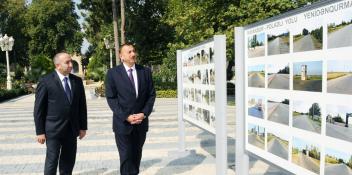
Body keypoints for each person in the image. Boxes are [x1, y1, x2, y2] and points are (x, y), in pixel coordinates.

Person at [105, 43, 156, 175]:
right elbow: (111, 99)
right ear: (121, 56)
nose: (133, 54)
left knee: (136, 156)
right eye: (129, 52)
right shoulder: (112, 73)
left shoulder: (145, 71)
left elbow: (151, 95)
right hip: (122, 124)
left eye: (134, 51)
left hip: (141, 123)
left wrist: (144, 114)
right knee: (126, 156)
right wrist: (126, 116)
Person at [33, 52, 87, 175]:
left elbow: (82, 106)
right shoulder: (46, 81)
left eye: (71, 62)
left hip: (72, 129)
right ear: (57, 65)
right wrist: (40, 131)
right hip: (53, 130)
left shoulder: (77, 81)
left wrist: (83, 127)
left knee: (68, 161)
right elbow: (39, 109)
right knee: (52, 161)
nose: (70, 65)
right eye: (67, 62)